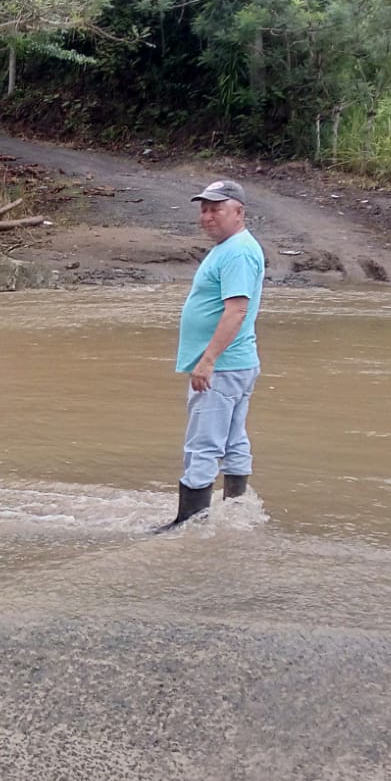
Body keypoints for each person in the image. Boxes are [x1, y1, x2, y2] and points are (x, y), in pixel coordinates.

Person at [158, 178, 264, 531]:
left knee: (202, 443)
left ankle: (188, 524)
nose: (207, 216)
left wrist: (207, 361)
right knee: (233, 440)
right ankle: (236, 511)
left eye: (216, 209)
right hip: (235, 363)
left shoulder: (237, 252)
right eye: (204, 209)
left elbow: (236, 311)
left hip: (223, 366)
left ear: (239, 211)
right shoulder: (231, 247)